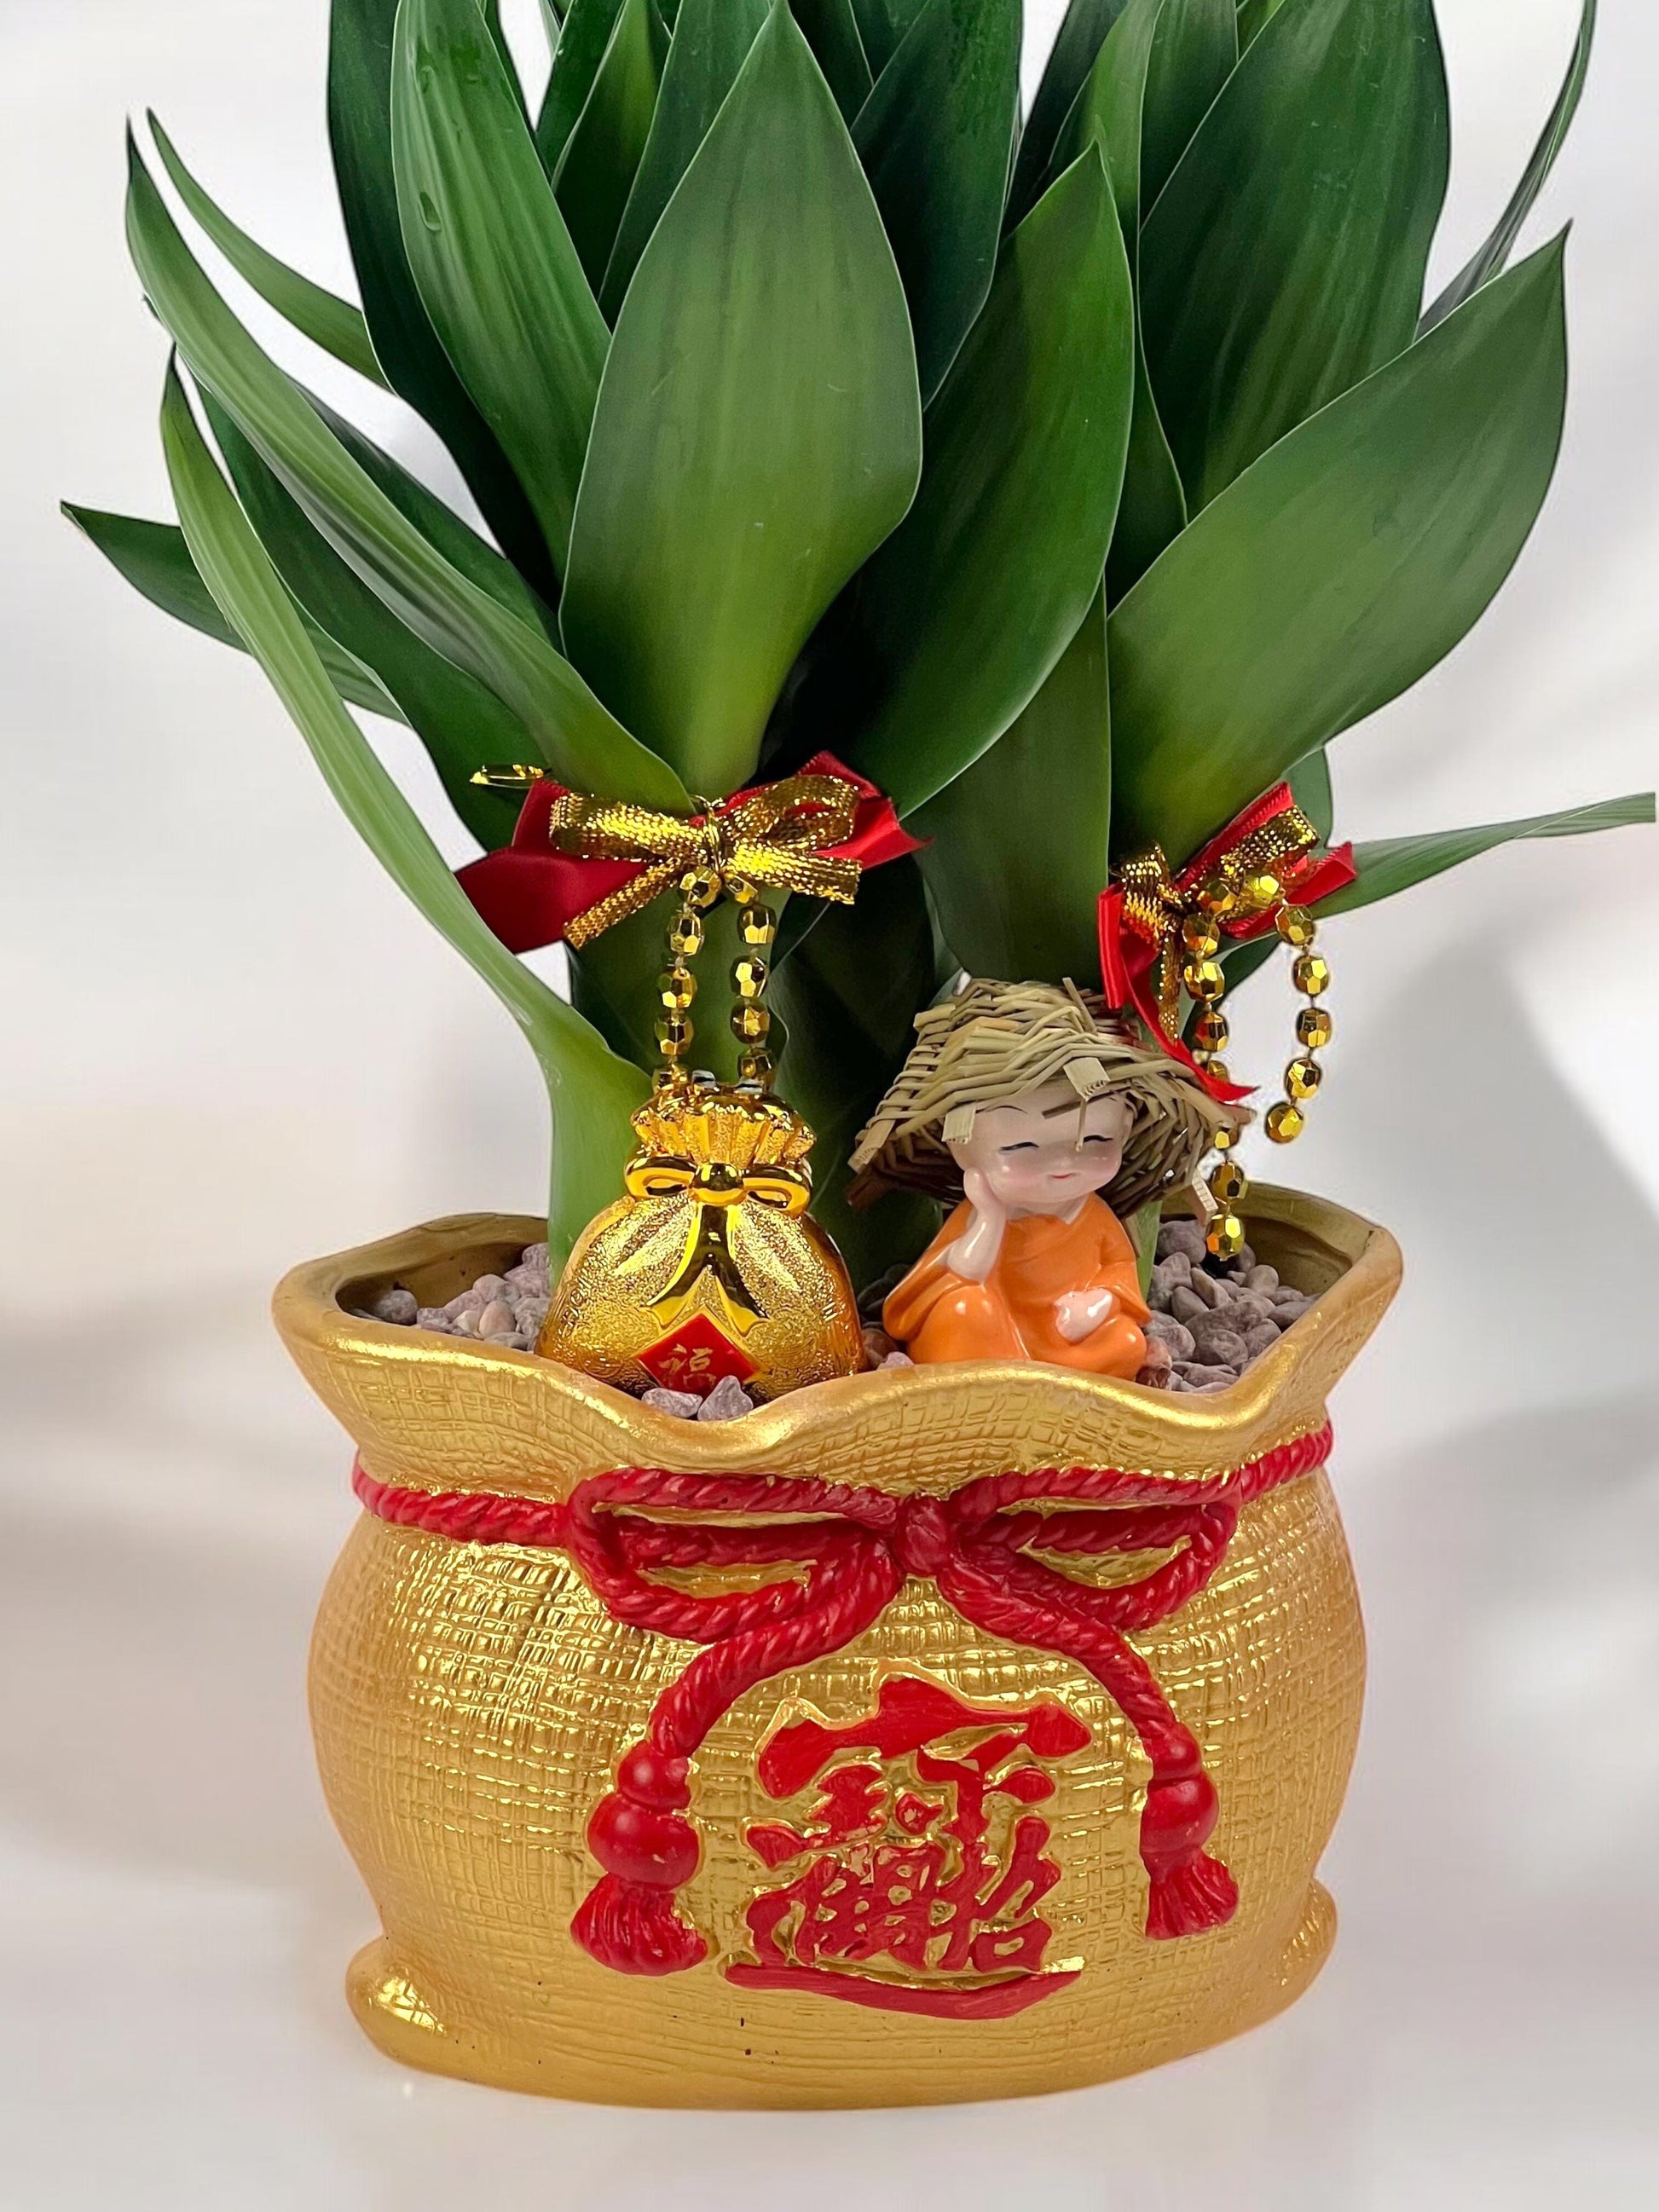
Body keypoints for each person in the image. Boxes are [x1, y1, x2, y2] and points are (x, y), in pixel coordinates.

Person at [848, 981, 1233, 1378]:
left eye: (1095, 1140)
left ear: (1124, 1128)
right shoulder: (984, 1210)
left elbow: (1118, 1273)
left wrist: (1096, 1306)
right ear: (965, 1149)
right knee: (963, 1309)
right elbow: (965, 1273)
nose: (1063, 1162)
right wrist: (990, 1217)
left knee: (1126, 1342)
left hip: (1063, 1336)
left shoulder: (1094, 1217)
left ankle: (1029, 1380)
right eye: (1022, 1147)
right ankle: (1005, 1377)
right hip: (993, 1326)